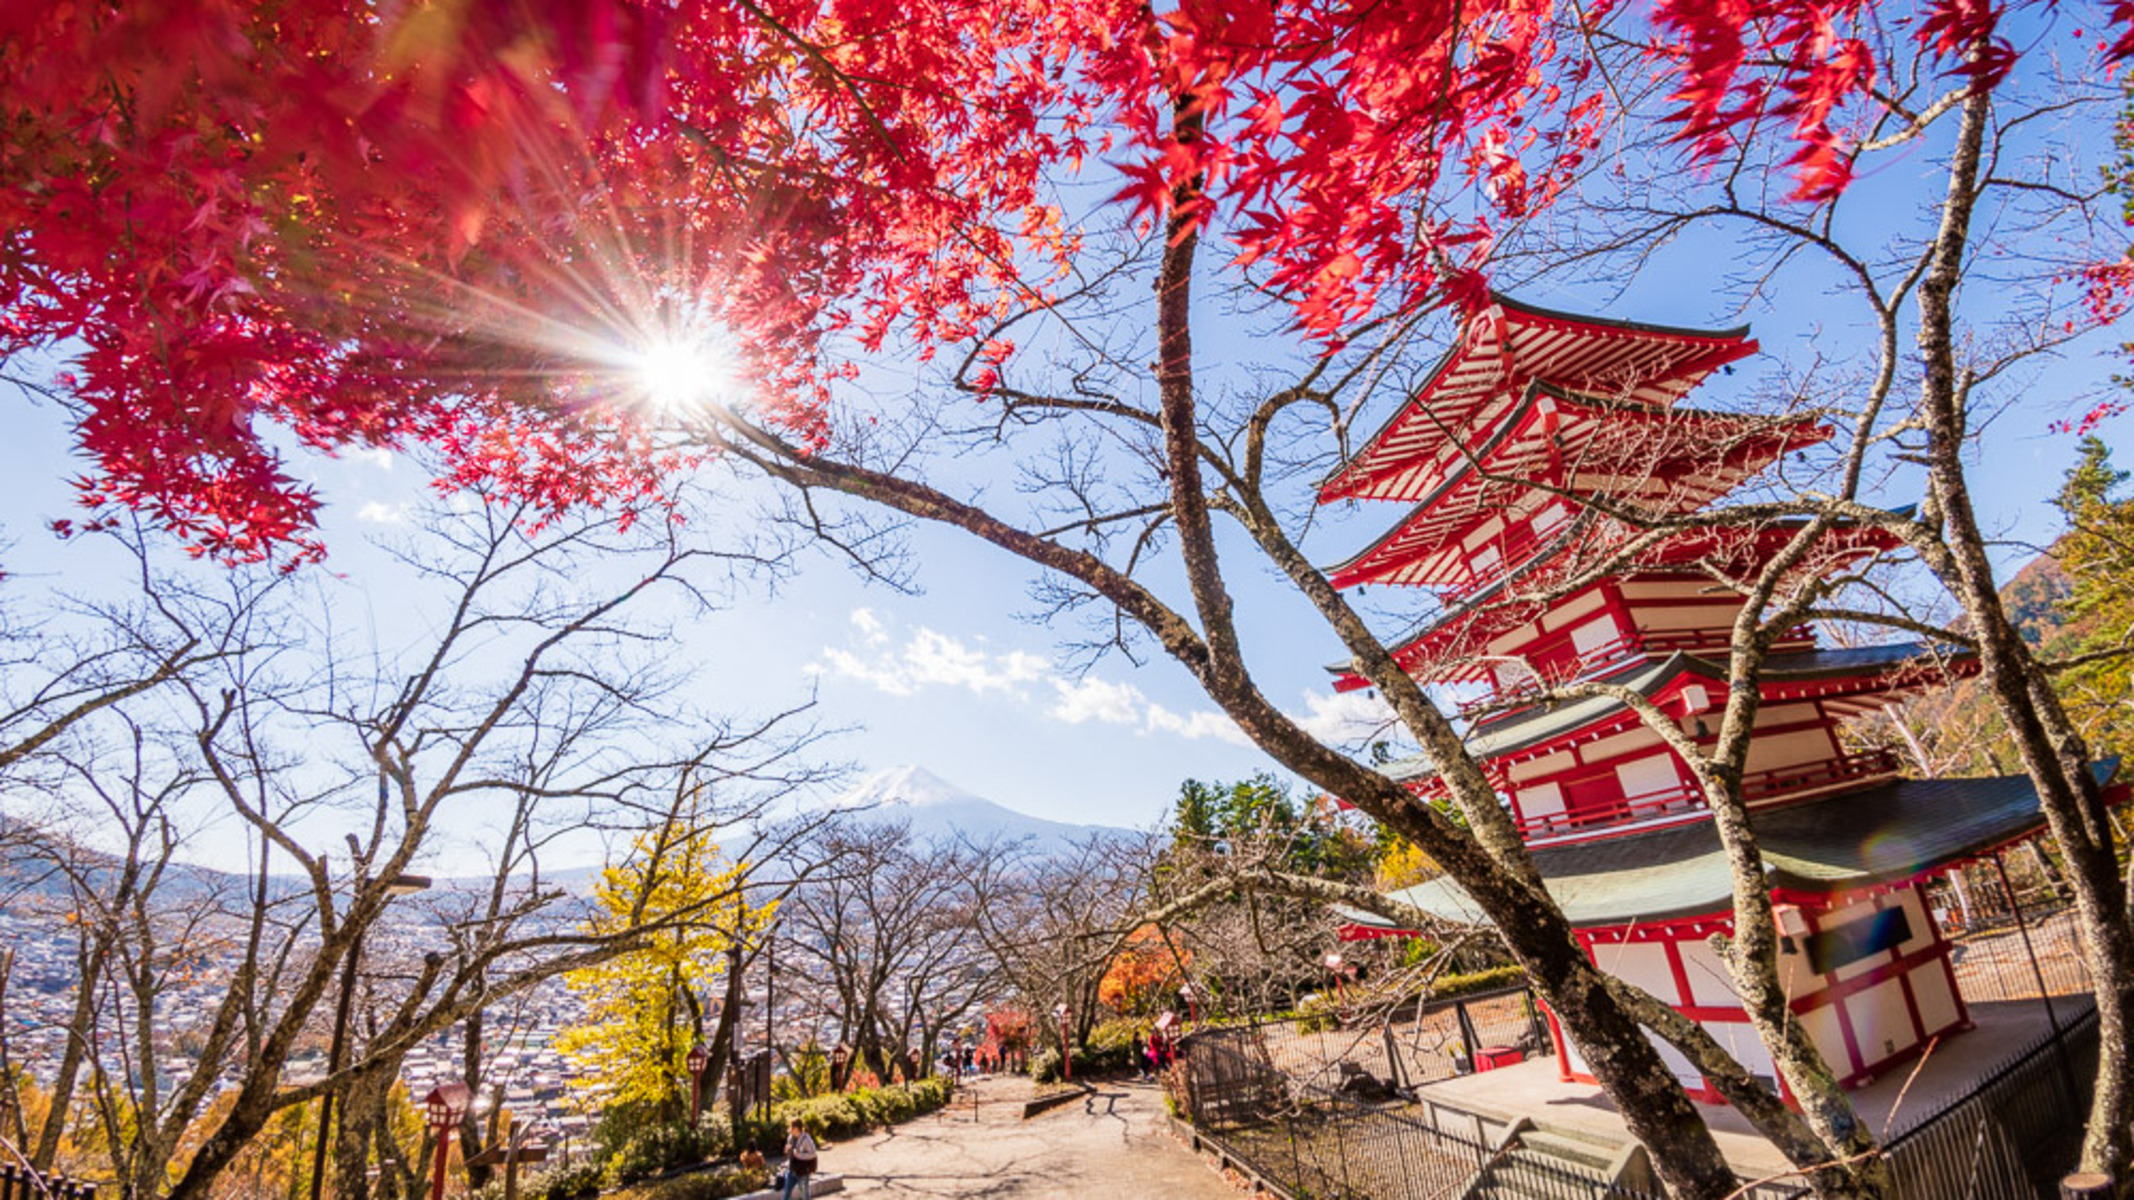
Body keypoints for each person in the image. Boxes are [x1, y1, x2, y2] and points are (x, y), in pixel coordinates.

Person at [779, 1118, 819, 1200]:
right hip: (792, 1169)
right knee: (786, 1192)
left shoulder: (806, 1140)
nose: (790, 1130)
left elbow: (813, 1154)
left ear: (796, 1129)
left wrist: (799, 1155)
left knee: (805, 1194)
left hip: (803, 1171)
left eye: (791, 1128)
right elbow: (790, 1153)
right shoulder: (790, 1138)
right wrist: (787, 1150)